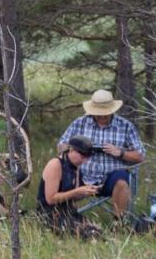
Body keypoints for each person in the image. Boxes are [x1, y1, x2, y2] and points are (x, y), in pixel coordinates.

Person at [57, 89, 145, 220]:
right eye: (98, 114)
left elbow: (140, 156)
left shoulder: (126, 126)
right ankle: (68, 220)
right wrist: (80, 148)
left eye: (105, 113)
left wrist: (120, 153)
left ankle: (119, 224)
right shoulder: (80, 123)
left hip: (112, 177)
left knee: (121, 181)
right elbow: (61, 146)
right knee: (64, 176)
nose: (102, 116)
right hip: (81, 176)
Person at [36, 135, 101, 238]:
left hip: (69, 212)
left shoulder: (76, 167)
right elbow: (51, 199)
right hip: (50, 214)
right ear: (71, 150)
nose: (84, 162)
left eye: (87, 158)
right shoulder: (55, 164)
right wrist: (77, 191)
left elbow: (74, 197)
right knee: (86, 234)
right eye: (82, 157)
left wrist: (86, 191)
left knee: (96, 231)